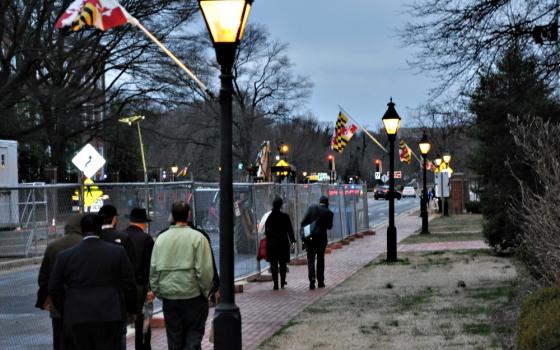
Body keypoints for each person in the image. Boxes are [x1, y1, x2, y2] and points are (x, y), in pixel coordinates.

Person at [48, 214, 137, 350]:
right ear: (100, 229)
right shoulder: (117, 252)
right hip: (109, 313)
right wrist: (130, 309)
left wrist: (66, 308)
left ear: (82, 230)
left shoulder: (65, 256)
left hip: (77, 314)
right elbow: (129, 284)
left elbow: (54, 287)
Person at [150, 201, 214, 350]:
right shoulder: (198, 238)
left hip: (170, 297)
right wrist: (205, 291)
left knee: (174, 338)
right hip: (193, 296)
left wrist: (160, 292)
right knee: (193, 337)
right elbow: (205, 271)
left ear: (171, 216)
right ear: (189, 215)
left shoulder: (160, 239)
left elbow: (153, 271)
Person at [35, 213, 83, 350]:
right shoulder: (86, 244)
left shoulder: (53, 246)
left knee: (60, 341)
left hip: (58, 306)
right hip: (83, 306)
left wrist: (49, 298)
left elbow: (43, 278)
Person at [99, 204, 137, 350]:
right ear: (114, 219)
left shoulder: (95, 238)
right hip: (117, 299)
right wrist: (132, 306)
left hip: (96, 301)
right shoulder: (123, 238)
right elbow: (129, 273)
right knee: (118, 336)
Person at [123, 208, 155, 350]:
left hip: (124, 286)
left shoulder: (122, 236)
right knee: (144, 322)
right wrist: (150, 288)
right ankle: (143, 346)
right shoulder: (146, 239)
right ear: (144, 223)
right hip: (141, 287)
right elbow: (150, 266)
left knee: (123, 322)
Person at [301, 195, 334, 290]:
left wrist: (307, 231)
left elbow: (303, 222)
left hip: (310, 239)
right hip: (321, 239)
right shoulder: (329, 213)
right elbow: (329, 227)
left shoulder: (311, 208)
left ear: (319, 202)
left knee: (310, 259)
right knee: (320, 259)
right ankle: (320, 281)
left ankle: (311, 279)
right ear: (327, 203)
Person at [264, 197, 296, 290]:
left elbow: (266, 231)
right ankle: (282, 282)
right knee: (283, 263)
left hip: (272, 244)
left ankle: (275, 284)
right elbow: (290, 230)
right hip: (283, 243)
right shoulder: (285, 217)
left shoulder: (269, 217)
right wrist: (293, 241)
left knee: (273, 264)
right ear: (281, 205)